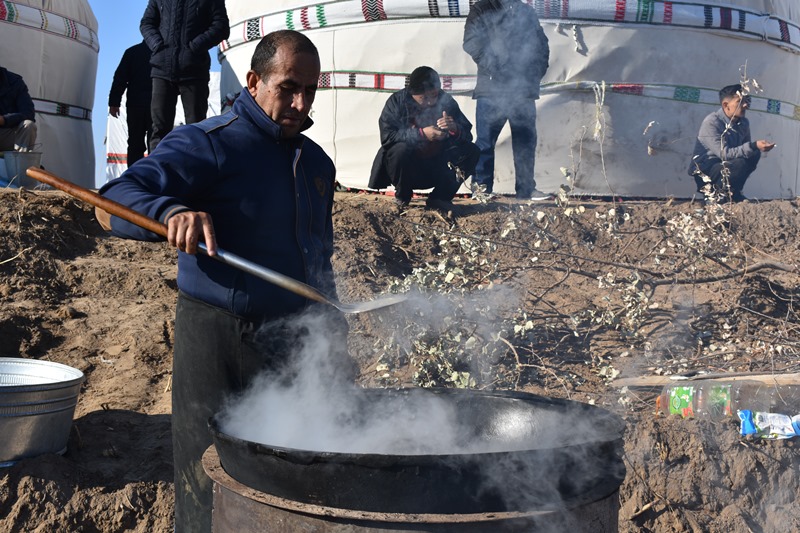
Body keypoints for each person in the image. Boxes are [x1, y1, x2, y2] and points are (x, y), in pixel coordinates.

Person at [97, 30, 350, 533]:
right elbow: (116, 201)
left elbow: (318, 256)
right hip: (219, 337)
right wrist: (171, 210)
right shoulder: (207, 143)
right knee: (208, 472)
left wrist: (332, 328)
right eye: (288, 87)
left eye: (311, 90)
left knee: (292, 471)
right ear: (254, 81)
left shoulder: (317, 164)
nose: (301, 103)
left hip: (296, 339)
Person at [463, 0, 550, 200]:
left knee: (526, 142)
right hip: (492, 89)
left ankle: (526, 190)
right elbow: (471, 42)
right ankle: (482, 189)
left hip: (523, 90)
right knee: (485, 142)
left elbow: (542, 45)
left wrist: (535, 74)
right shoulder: (482, 8)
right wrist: (497, 68)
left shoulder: (526, 11)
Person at [368, 66, 479, 212]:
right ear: (413, 93)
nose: (429, 101)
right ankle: (402, 197)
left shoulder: (446, 101)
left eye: (433, 96)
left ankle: (440, 198)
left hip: (437, 165)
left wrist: (454, 128)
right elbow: (388, 137)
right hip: (407, 168)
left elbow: (467, 135)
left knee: (472, 151)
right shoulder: (397, 102)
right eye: (423, 98)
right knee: (399, 149)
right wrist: (421, 134)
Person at [140, 0, 229, 152]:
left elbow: (221, 26)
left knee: (196, 128)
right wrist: (157, 44)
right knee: (158, 129)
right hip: (162, 68)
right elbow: (146, 23)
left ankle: (196, 170)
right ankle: (157, 171)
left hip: (194, 69)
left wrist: (195, 46)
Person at [688, 84, 775, 202]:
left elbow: (745, 150)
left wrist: (755, 147)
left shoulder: (743, 123)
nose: (745, 105)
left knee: (753, 154)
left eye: (746, 101)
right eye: (740, 102)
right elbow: (724, 154)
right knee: (741, 161)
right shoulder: (712, 122)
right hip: (706, 170)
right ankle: (715, 195)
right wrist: (754, 145)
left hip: (727, 166)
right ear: (726, 105)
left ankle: (734, 192)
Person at [108, 41, 154, 167]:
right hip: (156, 106)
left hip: (136, 104)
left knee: (135, 143)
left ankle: (134, 177)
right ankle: (155, 177)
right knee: (156, 142)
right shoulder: (163, 52)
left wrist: (114, 102)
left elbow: (120, 78)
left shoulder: (132, 52)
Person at [0, 66, 37, 152]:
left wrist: (4, 119)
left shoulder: (14, 82)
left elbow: (29, 113)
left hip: (9, 134)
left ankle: (18, 163)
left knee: (28, 125)